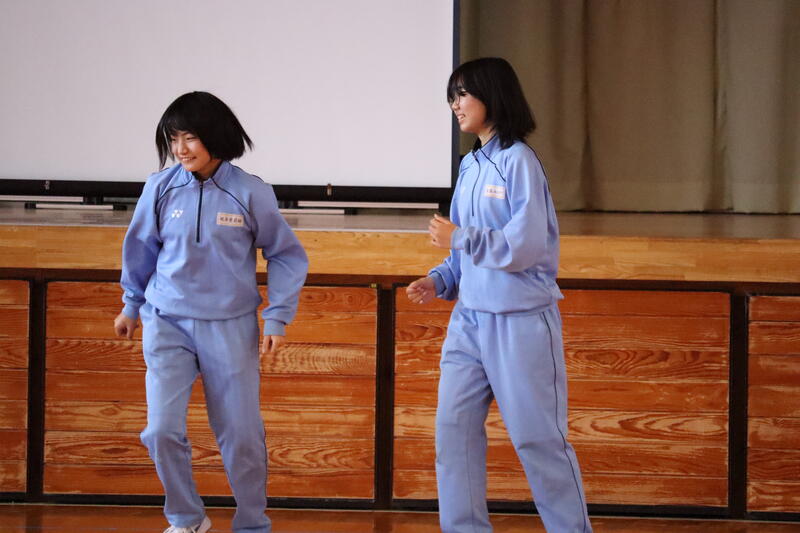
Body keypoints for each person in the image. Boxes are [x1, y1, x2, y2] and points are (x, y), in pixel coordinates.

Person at [406, 58, 592, 533]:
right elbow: (462, 253)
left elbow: (524, 246)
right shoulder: (470, 165)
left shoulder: (519, 162)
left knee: (538, 441)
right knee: (453, 435)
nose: (455, 105)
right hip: (468, 322)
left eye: (463, 94)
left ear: (492, 95)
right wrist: (439, 279)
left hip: (520, 322)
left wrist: (460, 238)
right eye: (451, 96)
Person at [113, 91, 308, 533]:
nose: (180, 149)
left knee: (241, 435)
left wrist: (277, 316)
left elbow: (285, 255)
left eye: (190, 137)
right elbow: (140, 249)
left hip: (231, 327)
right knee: (160, 431)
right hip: (166, 321)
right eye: (173, 139)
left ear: (214, 136)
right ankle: (187, 519)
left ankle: (252, 522)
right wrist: (131, 305)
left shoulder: (250, 191)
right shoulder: (160, 188)